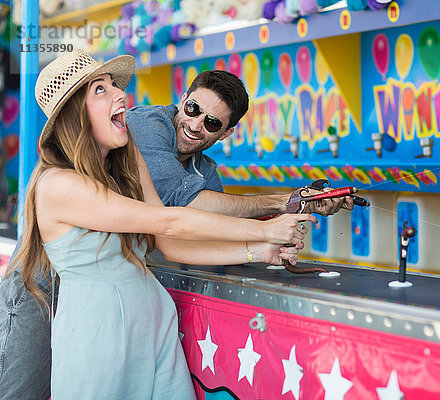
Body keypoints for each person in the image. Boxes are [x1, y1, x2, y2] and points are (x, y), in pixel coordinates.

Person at [3, 50, 316, 399]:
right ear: (74, 114)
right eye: (100, 90)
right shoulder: (59, 183)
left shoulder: (130, 157)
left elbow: (168, 243)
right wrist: (267, 226)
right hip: (90, 326)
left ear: (226, 132)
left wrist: (259, 250)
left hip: (153, 320)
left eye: (114, 85)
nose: (121, 94)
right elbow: (170, 220)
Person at [127, 69, 355, 217]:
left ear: (226, 133)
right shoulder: (147, 123)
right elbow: (182, 199)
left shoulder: (205, 172)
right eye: (193, 109)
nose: (196, 125)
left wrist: (301, 204)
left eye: (213, 123)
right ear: (183, 99)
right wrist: (284, 201)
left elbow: (218, 225)